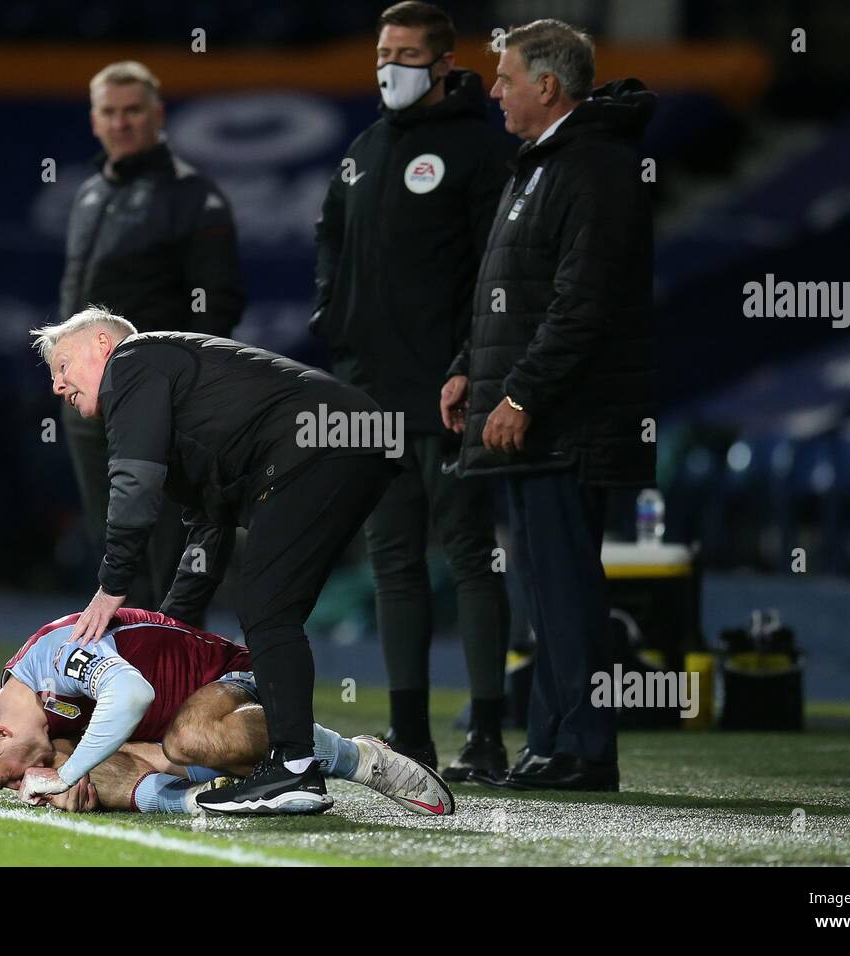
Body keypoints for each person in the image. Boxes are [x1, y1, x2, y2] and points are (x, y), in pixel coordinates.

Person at [27, 308, 402, 814]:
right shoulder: (181, 398)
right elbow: (210, 522)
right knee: (271, 605)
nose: (57, 385)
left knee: (268, 607)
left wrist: (112, 583)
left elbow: (133, 485)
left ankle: (294, 768)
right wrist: (173, 623)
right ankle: (297, 765)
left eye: (63, 366)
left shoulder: (132, 363)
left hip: (319, 444)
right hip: (349, 436)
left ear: (101, 344)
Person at [440, 20, 656, 791]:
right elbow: (510, 294)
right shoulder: (541, 164)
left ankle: (585, 749)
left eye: (505, 77)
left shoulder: (593, 166)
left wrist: (522, 393)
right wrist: (472, 370)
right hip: (538, 421)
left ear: (548, 86)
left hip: (569, 423)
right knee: (546, 589)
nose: (493, 90)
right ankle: (549, 743)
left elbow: (583, 304)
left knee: (565, 590)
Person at [312, 1, 517, 780]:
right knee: (391, 561)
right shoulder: (364, 148)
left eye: (403, 53)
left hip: (445, 393)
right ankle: (409, 737)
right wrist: (331, 310)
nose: (388, 66)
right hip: (368, 395)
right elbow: (329, 232)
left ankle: (488, 734)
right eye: (381, 52)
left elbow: (494, 273)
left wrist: (470, 361)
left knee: (469, 555)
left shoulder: (476, 151)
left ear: (441, 64)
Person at [0, 606, 453, 816]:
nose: (19, 785)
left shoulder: (55, 659)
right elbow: (107, 746)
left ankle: (357, 757)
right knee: (89, 766)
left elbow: (133, 697)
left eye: (6, 777)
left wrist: (67, 771)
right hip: (178, 742)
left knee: (190, 740)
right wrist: (74, 785)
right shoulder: (34, 714)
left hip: (242, 682)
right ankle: (200, 802)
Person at [58, 61, 245, 621]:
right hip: (88, 406)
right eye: (109, 112)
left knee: (167, 553)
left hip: (155, 406)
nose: (121, 122)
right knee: (112, 550)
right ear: (94, 120)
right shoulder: (89, 195)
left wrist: (174, 391)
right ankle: (130, 685)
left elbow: (219, 305)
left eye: (133, 110)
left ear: (158, 115)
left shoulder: (193, 195)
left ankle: (182, 683)